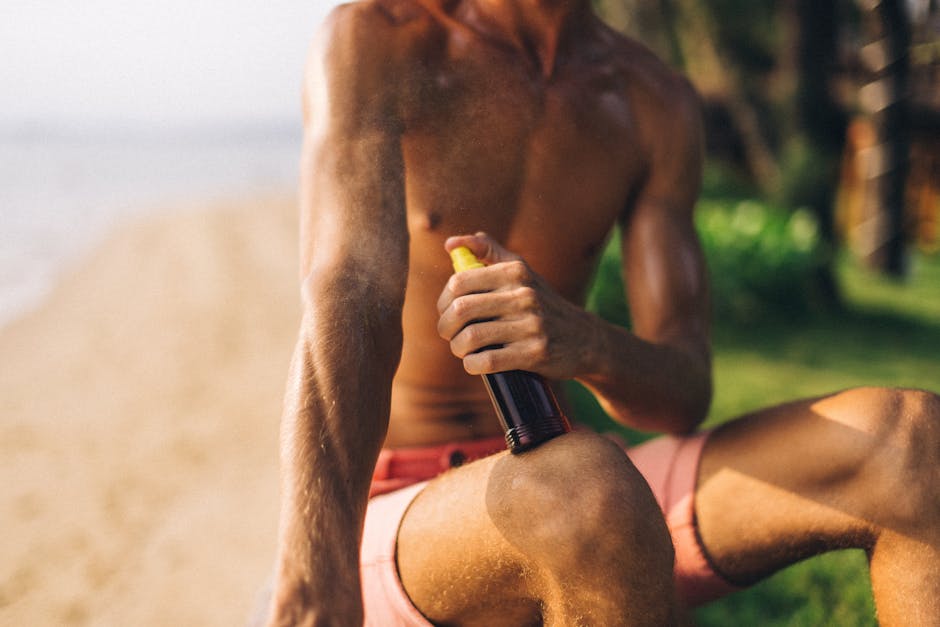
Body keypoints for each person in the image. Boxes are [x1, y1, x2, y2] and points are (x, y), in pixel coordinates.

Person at [265, 0, 940, 625]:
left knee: (910, 440)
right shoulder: (380, 40)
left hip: (581, 488)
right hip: (399, 516)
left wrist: (584, 340)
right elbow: (348, 295)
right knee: (586, 484)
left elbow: (683, 393)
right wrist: (312, 579)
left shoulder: (652, 100)